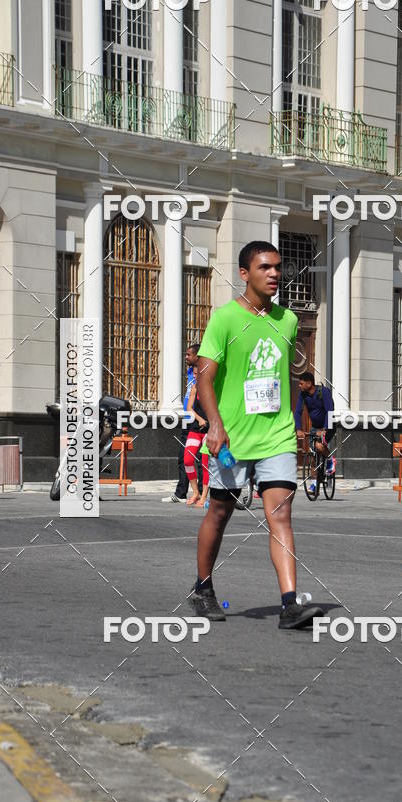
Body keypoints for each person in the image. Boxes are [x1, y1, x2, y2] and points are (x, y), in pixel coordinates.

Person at [188, 241, 325, 630]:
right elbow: (204, 376)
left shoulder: (288, 320)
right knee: (220, 511)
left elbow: (294, 377)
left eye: (278, 267)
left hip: (277, 435)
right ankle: (202, 587)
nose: (275, 274)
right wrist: (215, 424)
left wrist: (294, 419)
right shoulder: (225, 319)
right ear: (245, 273)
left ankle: (289, 605)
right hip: (232, 437)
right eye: (265, 267)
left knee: (280, 514)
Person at [162, 344, 203, 503]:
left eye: (189, 355)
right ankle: (181, 492)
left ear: (197, 356)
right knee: (184, 457)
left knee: (200, 459)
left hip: (200, 420)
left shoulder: (204, 372)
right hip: (188, 419)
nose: (186, 357)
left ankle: (200, 493)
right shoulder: (189, 371)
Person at [294, 371, 336, 493]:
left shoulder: (324, 392)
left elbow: (330, 411)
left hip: (328, 425)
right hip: (315, 427)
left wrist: (325, 429)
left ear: (309, 383)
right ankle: (314, 484)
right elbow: (298, 412)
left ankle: (329, 459)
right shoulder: (303, 395)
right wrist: (298, 428)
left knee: (319, 446)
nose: (299, 386)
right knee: (313, 457)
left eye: (301, 383)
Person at [183, 364, 210, 508]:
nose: (194, 376)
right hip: (196, 428)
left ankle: (204, 496)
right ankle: (195, 492)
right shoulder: (194, 388)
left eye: (196, 374)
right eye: (193, 374)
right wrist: (199, 419)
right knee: (187, 459)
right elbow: (189, 408)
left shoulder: (212, 387)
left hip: (209, 430)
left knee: (205, 463)